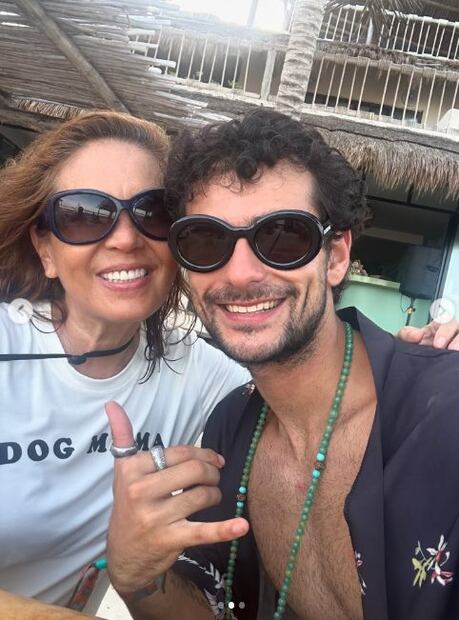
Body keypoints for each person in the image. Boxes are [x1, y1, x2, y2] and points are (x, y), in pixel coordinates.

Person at [103, 109, 459, 620]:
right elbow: (211, 607)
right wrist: (137, 578)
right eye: (206, 241)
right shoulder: (232, 426)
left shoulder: (444, 417)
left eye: (284, 236)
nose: (241, 274)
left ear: (336, 257)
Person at [0, 111, 249, 611]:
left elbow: (311, 392)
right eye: (85, 215)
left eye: (152, 212)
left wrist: (406, 358)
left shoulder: (200, 373)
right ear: (45, 248)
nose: (126, 238)